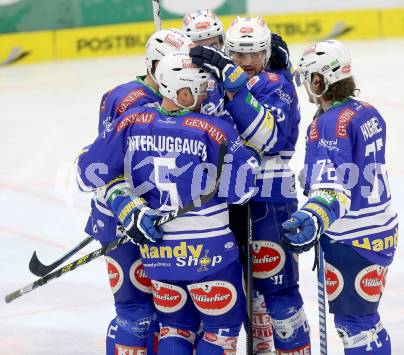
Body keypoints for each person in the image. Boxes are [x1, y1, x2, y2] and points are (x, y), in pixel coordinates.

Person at [76, 52, 260, 355]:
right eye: (195, 89)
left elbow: (87, 174)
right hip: (210, 255)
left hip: (160, 255)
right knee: (219, 333)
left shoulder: (130, 122)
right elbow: (241, 191)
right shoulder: (214, 130)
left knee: (175, 329)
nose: (202, 95)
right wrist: (248, 156)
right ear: (178, 90)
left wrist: (121, 197)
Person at [190, 16, 311, 354]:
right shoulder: (213, 84)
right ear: (227, 51)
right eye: (238, 55)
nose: (245, 63)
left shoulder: (277, 85)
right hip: (224, 196)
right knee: (234, 296)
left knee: (278, 294)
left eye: (254, 54)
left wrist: (233, 86)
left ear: (266, 52)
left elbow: (268, 137)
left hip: (271, 195)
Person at [78, 28, 194, 355]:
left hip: (158, 219)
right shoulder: (126, 99)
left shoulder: (182, 94)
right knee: (136, 312)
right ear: (154, 62)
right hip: (121, 217)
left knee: (170, 313)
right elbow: (104, 165)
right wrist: (127, 208)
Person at [282, 39, 398, 354]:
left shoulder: (329, 123)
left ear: (319, 80)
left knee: (355, 327)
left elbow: (335, 189)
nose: (305, 85)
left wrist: (312, 215)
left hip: (352, 237)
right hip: (380, 229)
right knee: (365, 320)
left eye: (307, 77)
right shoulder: (366, 111)